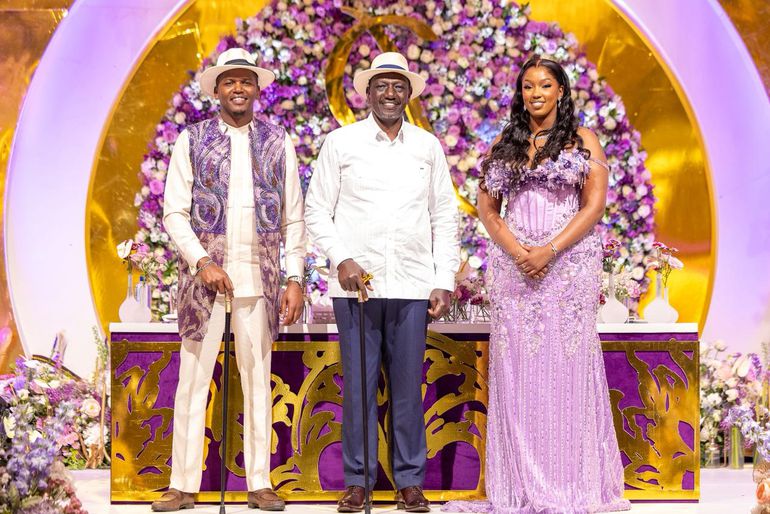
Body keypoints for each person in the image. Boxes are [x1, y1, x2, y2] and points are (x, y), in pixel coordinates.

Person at [444, 56, 631, 513]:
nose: (536, 93)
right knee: (518, 375)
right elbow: (487, 209)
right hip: (514, 271)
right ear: (521, 93)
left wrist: (549, 249)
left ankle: (571, 483)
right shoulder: (504, 143)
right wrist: (516, 249)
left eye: (545, 85)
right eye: (528, 86)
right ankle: (521, 486)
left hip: (566, 268)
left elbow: (594, 207)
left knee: (566, 372)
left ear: (561, 91)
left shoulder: (583, 139)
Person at [152, 47, 306, 512]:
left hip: (259, 281)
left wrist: (296, 277)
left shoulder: (279, 142)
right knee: (193, 382)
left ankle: (259, 482)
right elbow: (174, 213)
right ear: (216, 89)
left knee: (258, 379)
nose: (238, 89)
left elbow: (294, 218)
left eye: (246, 81)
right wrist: (202, 262)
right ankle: (183, 484)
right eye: (229, 81)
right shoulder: (192, 140)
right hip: (205, 284)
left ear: (257, 89)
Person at [304, 51, 459, 513]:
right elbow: (316, 209)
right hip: (359, 288)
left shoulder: (427, 147)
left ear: (408, 94)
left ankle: (410, 482)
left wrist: (443, 278)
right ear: (366, 93)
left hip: (412, 285)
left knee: (409, 388)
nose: (389, 94)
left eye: (398, 87)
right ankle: (358, 482)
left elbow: (444, 216)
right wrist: (342, 258)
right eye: (381, 86)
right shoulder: (341, 143)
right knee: (358, 387)